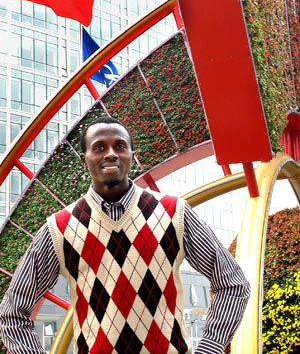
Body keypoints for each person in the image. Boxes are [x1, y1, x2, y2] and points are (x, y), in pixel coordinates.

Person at [0, 116, 250, 354]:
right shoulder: (60, 228)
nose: (110, 153)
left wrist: (209, 347)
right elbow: (11, 314)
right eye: (99, 147)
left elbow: (233, 284)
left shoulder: (175, 214)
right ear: (84, 159)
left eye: (119, 145)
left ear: (131, 155)